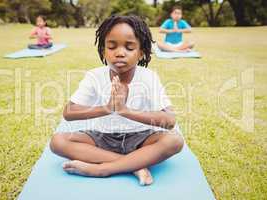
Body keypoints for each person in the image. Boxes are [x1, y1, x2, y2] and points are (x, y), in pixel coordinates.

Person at [50, 15, 184, 186]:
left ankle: (102, 169)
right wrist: (107, 108)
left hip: (141, 139)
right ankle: (134, 165)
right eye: (112, 46)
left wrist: (124, 110)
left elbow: (170, 120)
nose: (120, 53)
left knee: (174, 140)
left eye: (129, 47)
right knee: (58, 141)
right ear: (103, 51)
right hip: (102, 138)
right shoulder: (94, 76)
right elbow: (69, 112)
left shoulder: (149, 77)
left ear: (141, 52)